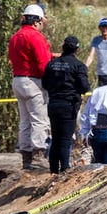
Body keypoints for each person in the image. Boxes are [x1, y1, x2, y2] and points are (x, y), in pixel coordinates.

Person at [8, 4, 53, 169]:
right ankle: (39, 156)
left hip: (18, 80)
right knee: (39, 120)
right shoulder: (35, 36)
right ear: (37, 21)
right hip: (33, 82)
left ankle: (26, 157)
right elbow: (43, 64)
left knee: (25, 121)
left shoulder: (15, 37)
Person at [41, 36, 91, 174]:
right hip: (68, 106)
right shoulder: (78, 66)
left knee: (56, 139)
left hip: (54, 104)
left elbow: (44, 84)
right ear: (77, 49)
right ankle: (63, 171)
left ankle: (53, 171)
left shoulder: (51, 64)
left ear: (63, 47)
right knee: (65, 139)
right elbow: (84, 87)